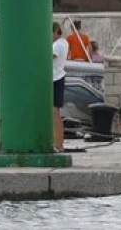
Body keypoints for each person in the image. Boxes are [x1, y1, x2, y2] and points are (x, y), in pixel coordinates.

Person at [52, 22, 68, 152]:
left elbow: (47, 57)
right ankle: (58, 143)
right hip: (59, 77)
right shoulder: (64, 43)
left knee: (54, 113)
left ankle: (58, 144)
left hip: (55, 79)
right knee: (55, 112)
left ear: (56, 32)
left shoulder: (57, 45)